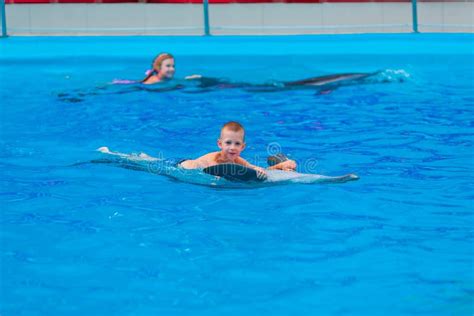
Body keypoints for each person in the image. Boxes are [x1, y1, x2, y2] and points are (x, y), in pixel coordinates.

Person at [179, 121, 297, 179]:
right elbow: (198, 167)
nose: (232, 147)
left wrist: (258, 170)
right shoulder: (213, 159)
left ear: (242, 147)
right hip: (185, 163)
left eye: (237, 144)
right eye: (228, 143)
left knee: (286, 166)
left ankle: (281, 164)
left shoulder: (238, 160)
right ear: (220, 144)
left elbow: (253, 168)